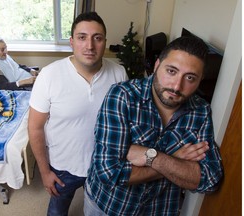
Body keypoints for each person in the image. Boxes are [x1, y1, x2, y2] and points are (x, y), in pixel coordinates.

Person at [84, 36, 223, 216]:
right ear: (157, 65)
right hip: (107, 206)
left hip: (159, 210)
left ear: (200, 80)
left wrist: (154, 157)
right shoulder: (122, 96)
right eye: (171, 71)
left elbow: (209, 180)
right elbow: (110, 174)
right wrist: (176, 160)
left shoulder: (201, 112)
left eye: (190, 77)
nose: (176, 86)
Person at [28, 12, 128, 216]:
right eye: (82, 37)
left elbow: (124, 121)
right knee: (57, 212)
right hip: (63, 166)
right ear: (72, 42)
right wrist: (45, 172)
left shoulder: (119, 73)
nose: (89, 46)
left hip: (105, 164)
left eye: (97, 38)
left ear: (105, 42)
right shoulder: (49, 75)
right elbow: (35, 127)